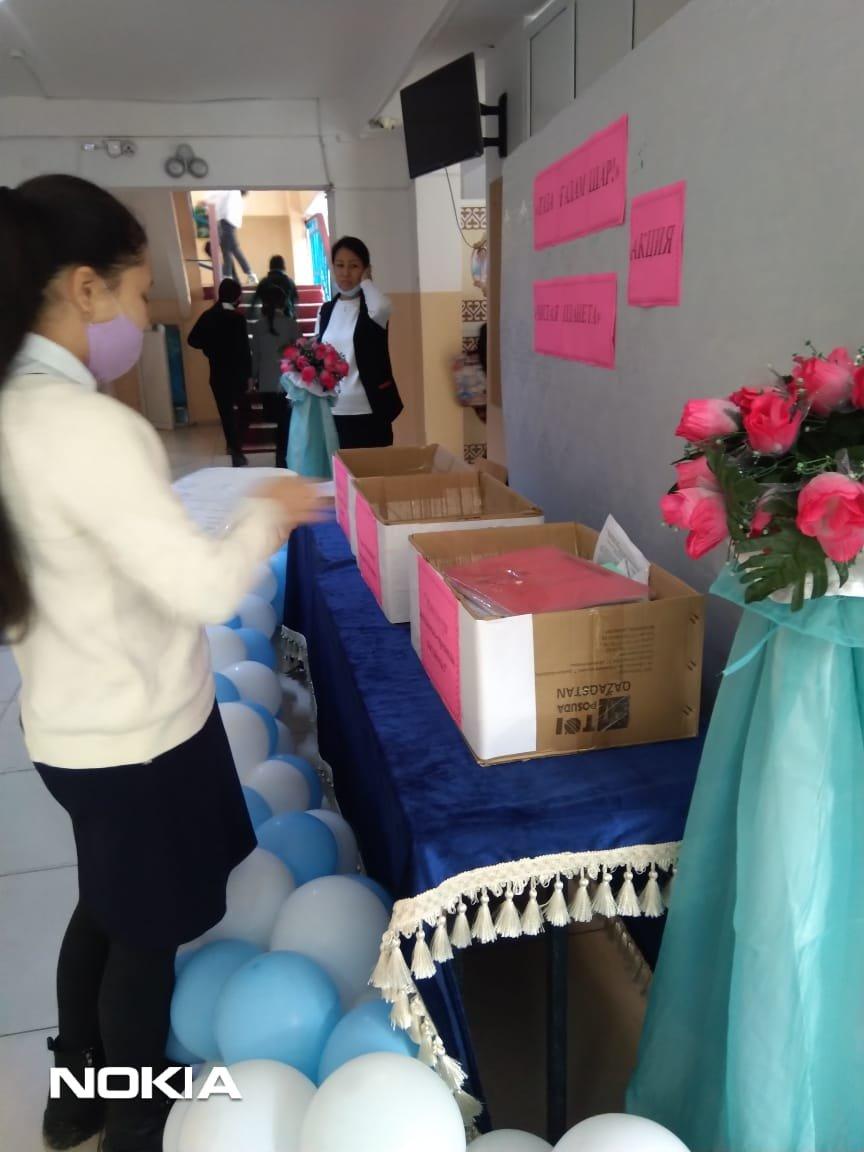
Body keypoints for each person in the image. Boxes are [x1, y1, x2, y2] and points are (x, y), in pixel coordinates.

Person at [0, 176, 317, 1152]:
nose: (145, 317)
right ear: (84, 288)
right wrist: (268, 511)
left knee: (105, 907)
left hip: (72, 728)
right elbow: (204, 591)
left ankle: (77, 1091)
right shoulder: (87, 427)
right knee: (145, 940)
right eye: (140, 293)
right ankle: (136, 1124)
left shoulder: (16, 408)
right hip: (137, 741)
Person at [318, 236, 403, 449]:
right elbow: (317, 352)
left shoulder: (373, 309)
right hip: (333, 409)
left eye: (354, 266)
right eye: (340, 265)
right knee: (338, 469)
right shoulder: (326, 310)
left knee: (372, 470)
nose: (345, 273)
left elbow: (383, 307)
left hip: (370, 409)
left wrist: (366, 282)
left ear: (365, 269)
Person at [188, 278, 251, 467]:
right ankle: (236, 446)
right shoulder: (238, 319)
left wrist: (209, 349)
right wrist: (249, 375)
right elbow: (245, 350)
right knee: (245, 411)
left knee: (226, 414)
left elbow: (192, 340)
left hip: (218, 374)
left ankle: (235, 449)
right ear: (236, 297)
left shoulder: (208, 316)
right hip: (238, 375)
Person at [251, 281, 299, 469]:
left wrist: (253, 377)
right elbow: (299, 354)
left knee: (278, 421)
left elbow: (256, 355)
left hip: (267, 383)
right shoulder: (291, 324)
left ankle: (280, 456)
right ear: (283, 302)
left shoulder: (258, 326)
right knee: (286, 422)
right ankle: (283, 456)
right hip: (288, 382)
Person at [210, 189, 257, 286]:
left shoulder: (233, 196)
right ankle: (232, 275)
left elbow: (222, 206)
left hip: (227, 224)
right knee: (231, 251)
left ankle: (232, 275)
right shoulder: (236, 199)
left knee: (230, 251)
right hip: (228, 224)